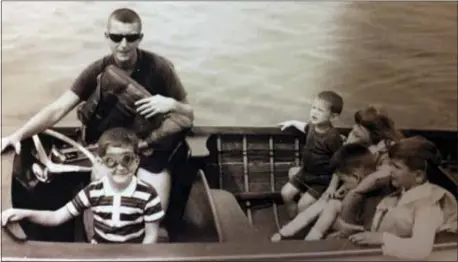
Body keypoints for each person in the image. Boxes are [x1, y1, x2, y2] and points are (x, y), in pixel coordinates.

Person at [0, 8, 194, 211]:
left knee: (155, 210)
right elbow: (57, 109)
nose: (124, 45)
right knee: (103, 197)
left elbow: (188, 113)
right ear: (107, 37)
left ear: (140, 38)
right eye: (116, 37)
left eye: (131, 37)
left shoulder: (160, 67)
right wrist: (17, 135)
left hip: (151, 147)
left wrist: (171, 104)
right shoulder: (96, 70)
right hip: (110, 146)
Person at [1, 127, 165, 244]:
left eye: (127, 159)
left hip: (132, 256)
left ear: (136, 162)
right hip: (97, 253)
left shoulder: (148, 195)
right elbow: (57, 217)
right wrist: (23, 213)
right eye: (111, 161)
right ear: (100, 163)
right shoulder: (93, 191)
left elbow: (151, 237)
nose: (120, 167)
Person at [348, 136, 457, 259]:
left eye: (397, 167)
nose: (390, 171)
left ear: (418, 176)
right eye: (390, 165)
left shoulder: (427, 204)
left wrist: (382, 238)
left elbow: (421, 249)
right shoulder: (399, 195)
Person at [271, 143, 377, 241]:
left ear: (356, 177)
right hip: (345, 216)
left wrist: (344, 228)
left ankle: (310, 240)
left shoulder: (372, 199)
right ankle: (286, 232)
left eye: (344, 180)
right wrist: (343, 190)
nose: (343, 184)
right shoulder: (359, 183)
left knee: (331, 205)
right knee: (323, 203)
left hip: (351, 229)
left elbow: (368, 228)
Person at [278, 90, 344, 218]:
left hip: (321, 180)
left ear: (333, 117)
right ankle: (293, 219)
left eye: (320, 110)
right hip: (305, 173)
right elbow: (304, 127)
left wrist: (332, 187)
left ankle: (300, 225)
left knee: (303, 205)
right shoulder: (312, 126)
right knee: (285, 194)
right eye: (313, 108)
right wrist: (291, 122)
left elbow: (340, 165)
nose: (314, 112)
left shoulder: (333, 137)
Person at [338, 106, 403, 230]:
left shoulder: (388, 148)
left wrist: (356, 192)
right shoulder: (366, 144)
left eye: (360, 126)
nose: (355, 128)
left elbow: (383, 175)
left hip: (380, 193)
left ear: (373, 133)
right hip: (361, 185)